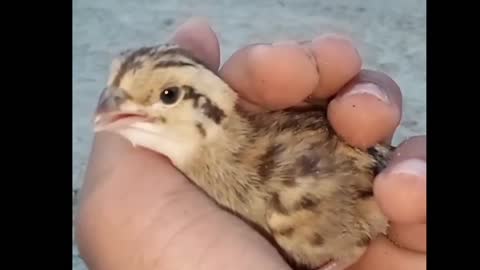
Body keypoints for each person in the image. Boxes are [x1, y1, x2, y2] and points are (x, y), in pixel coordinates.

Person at [75, 18, 426, 270]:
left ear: (210, 106)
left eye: (168, 95)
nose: (111, 106)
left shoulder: (291, 193)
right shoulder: (184, 186)